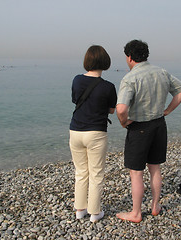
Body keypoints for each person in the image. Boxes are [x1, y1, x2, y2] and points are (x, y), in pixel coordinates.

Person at [116, 40, 181, 223]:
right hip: (159, 124)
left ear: (130, 57)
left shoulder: (130, 78)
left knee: (136, 172)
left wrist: (123, 123)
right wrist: (168, 110)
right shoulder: (161, 72)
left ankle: (136, 213)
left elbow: (121, 109)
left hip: (139, 127)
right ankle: (155, 206)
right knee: (155, 168)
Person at [69, 45, 117, 222]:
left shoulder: (76, 80)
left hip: (75, 130)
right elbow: (112, 110)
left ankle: (79, 210)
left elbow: (75, 100)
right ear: (105, 62)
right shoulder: (109, 87)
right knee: (96, 173)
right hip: (96, 132)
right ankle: (95, 213)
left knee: (81, 172)